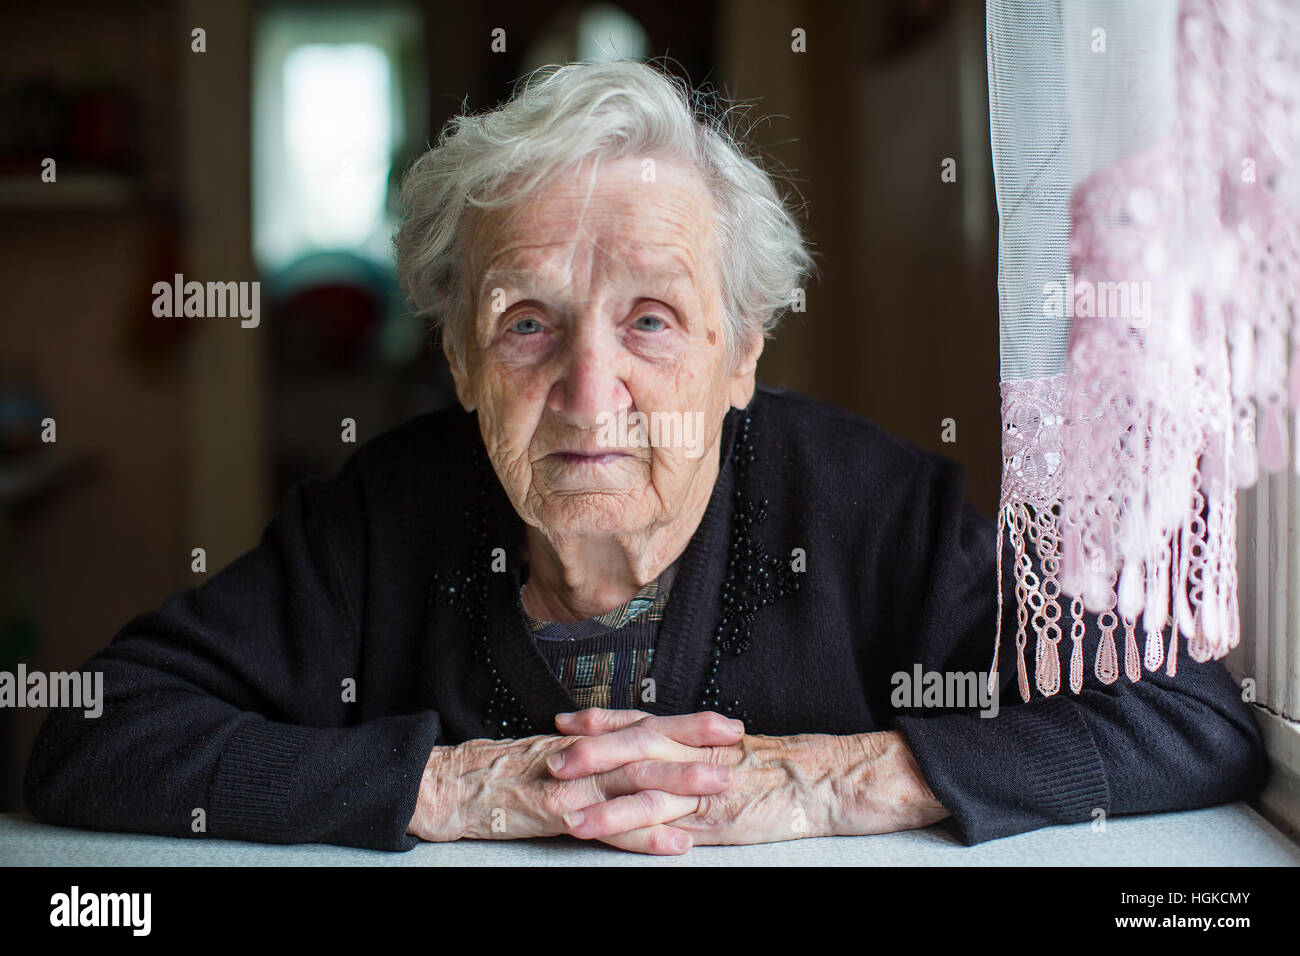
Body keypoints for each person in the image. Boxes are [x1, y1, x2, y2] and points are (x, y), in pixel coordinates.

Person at [24, 60, 1266, 855]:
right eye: (526, 323)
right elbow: (90, 733)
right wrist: (454, 788)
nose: (588, 391)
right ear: (459, 361)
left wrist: (844, 779)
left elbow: (1187, 718)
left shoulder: (870, 510)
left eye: (652, 320)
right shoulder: (380, 517)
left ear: (742, 357)